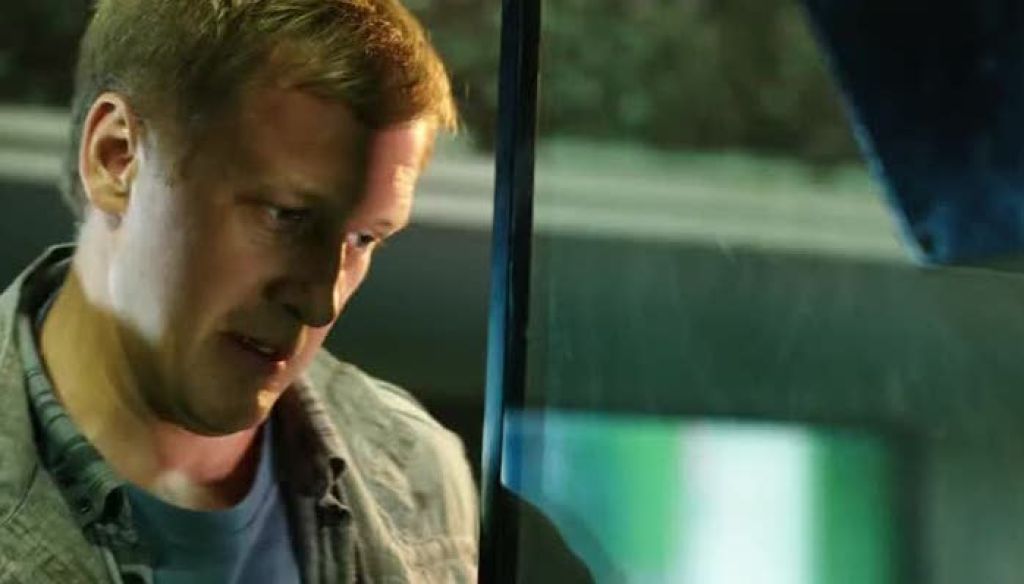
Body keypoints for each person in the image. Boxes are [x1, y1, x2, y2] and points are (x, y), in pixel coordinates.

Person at [0, 0, 477, 582]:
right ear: (116, 156)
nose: (320, 302)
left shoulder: (419, 475)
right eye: (285, 215)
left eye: (363, 239)